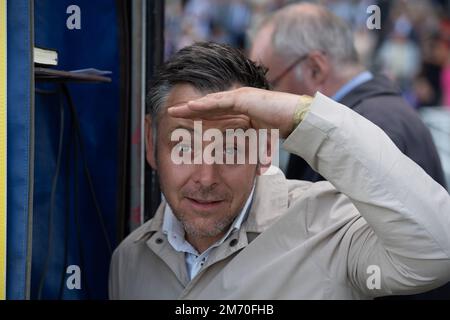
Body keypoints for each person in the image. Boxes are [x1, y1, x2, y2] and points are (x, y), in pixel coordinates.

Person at [109, 42, 450, 299]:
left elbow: (437, 251)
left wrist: (300, 115)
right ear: (151, 142)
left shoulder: (329, 228)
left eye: (230, 148)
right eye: (184, 148)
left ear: (265, 149)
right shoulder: (130, 260)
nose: (206, 177)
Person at [249, 3, 447, 189]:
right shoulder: (372, 116)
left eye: (271, 85)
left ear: (314, 69)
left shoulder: (369, 130)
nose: (268, 99)